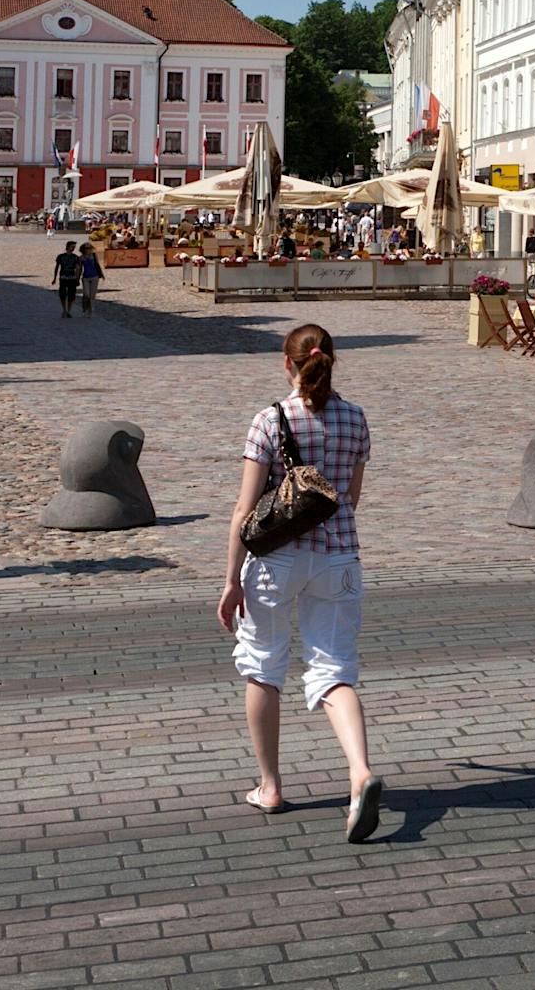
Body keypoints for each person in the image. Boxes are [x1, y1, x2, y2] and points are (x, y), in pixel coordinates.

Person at [220, 322, 382, 842]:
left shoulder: (269, 420)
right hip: (337, 559)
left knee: (264, 666)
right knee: (334, 668)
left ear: (286, 364)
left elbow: (245, 510)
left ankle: (269, 785)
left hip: (275, 561)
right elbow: (351, 496)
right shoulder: (356, 419)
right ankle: (359, 772)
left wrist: (230, 581)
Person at [52, 240, 83, 317]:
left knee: (71, 295)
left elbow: (79, 269)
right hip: (63, 277)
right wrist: (54, 278)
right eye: (72, 247)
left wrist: (77, 279)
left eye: (74, 247)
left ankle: (68, 310)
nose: (73, 248)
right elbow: (57, 267)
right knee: (62, 294)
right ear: (68, 247)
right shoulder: (60, 256)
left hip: (72, 278)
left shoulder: (76, 257)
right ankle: (64, 310)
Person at [79, 243, 104, 315]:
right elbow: (80, 269)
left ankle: (90, 309)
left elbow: (97, 265)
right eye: (86, 248)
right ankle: (84, 307)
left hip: (94, 276)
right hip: (85, 277)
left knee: (92, 295)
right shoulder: (81, 258)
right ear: (83, 249)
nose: (88, 250)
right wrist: (77, 277)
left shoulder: (94, 255)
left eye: (89, 248)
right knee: (86, 294)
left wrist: (101, 274)